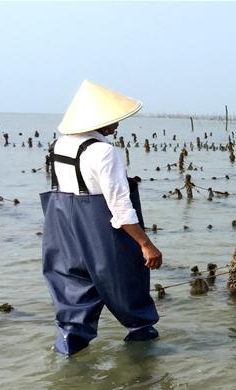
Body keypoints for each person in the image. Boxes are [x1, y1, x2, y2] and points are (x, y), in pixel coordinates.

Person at [41, 80, 162, 355]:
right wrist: (146, 244)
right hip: (101, 233)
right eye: (112, 120)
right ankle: (143, 367)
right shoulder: (103, 151)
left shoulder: (58, 145)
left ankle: (66, 359)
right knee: (131, 298)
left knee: (73, 299)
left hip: (62, 231)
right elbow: (120, 207)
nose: (116, 125)